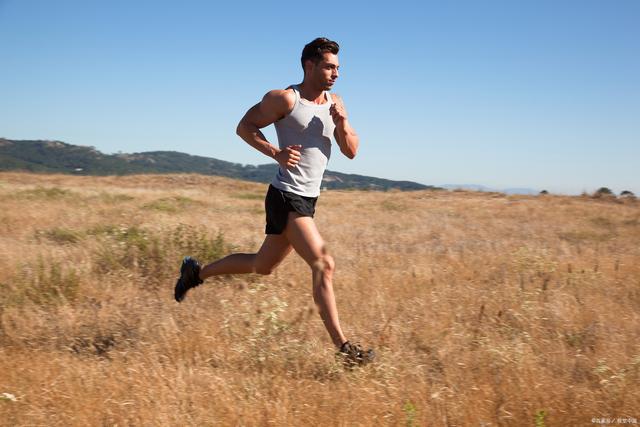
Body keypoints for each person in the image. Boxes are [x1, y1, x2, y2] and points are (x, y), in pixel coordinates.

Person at [174, 37, 373, 366]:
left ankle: (196, 273)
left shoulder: (336, 102)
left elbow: (351, 151)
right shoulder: (285, 99)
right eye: (329, 66)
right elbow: (244, 126)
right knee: (324, 264)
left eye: (338, 67)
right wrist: (276, 153)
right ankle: (345, 350)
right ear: (309, 65)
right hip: (286, 195)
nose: (336, 73)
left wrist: (343, 122)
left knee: (261, 266)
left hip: (309, 199)